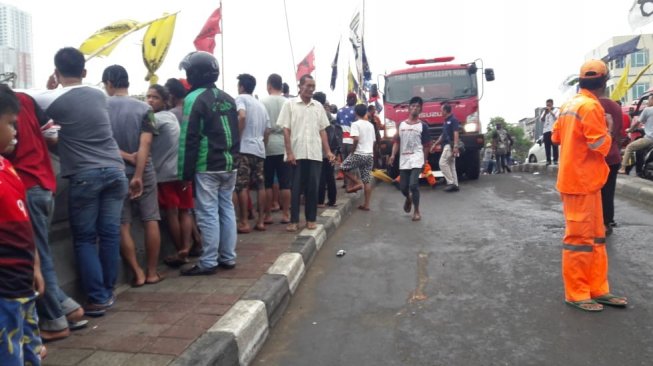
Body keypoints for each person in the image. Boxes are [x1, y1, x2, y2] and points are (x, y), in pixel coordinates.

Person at [32, 47, 128, 316]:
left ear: (56, 72)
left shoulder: (51, 98)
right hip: (115, 170)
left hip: (86, 175)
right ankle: (108, 291)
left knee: (85, 238)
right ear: (85, 72)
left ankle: (97, 298)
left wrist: (49, 88)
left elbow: (19, 99)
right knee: (109, 234)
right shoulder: (99, 95)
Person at [7, 87, 86, 341]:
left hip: (24, 184)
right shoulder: (26, 99)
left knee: (36, 255)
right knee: (42, 253)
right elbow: (52, 135)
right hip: (45, 183)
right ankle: (69, 309)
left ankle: (54, 321)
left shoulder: (6, 104)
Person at [552, 59, 626, 312]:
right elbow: (600, 146)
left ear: (582, 81)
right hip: (581, 182)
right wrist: (608, 129)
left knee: (596, 238)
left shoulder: (568, 105)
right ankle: (577, 292)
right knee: (579, 240)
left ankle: (597, 289)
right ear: (604, 83)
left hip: (584, 182)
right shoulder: (591, 107)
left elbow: (555, 137)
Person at [178, 51, 240, 276]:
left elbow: (188, 138)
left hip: (207, 166)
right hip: (230, 164)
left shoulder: (193, 99)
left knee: (207, 213)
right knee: (226, 209)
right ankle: (228, 257)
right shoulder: (228, 98)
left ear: (194, 74)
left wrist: (185, 173)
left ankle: (208, 262)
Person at [102, 65, 162, 287]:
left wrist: (125, 157)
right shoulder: (144, 108)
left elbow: (102, 144)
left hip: (115, 170)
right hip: (143, 170)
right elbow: (146, 143)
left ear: (109, 83)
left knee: (123, 224)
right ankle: (153, 272)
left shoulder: (101, 108)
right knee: (150, 219)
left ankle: (136, 272)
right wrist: (138, 173)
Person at [0, 86, 45, 364]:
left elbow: (26, 224)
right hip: (3, 288)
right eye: (10, 124)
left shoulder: (8, 167)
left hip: (22, 284)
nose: (15, 131)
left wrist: (36, 265)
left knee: (29, 349)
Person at [278, 75, 336, 232]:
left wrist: (328, 151)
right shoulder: (289, 105)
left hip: (315, 153)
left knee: (313, 188)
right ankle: (294, 220)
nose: (311, 89)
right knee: (295, 189)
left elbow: (322, 130)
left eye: (313, 86)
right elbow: (286, 129)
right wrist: (289, 152)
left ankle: (311, 219)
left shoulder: (318, 106)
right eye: (308, 85)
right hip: (296, 154)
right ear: (300, 86)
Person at [147, 84, 194, 268]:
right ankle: (186, 247)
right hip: (181, 169)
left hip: (165, 173)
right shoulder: (171, 117)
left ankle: (180, 250)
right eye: (148, 96)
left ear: (165, 100)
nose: (150, 100)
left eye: (155, 97)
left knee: (173, 212)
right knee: (185, 210)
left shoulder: (155, 119)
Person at [235, 73, 271, 233]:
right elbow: (268, 129)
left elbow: (241, 116)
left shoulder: (240, 99)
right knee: (260, 185)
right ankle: (261, 220)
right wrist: (263, 143)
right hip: (259, 149)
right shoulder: (260, 105)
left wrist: (237, 137)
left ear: (241, 86)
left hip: (244, 148)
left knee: (242, 185)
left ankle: (244, 221)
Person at [389, 96, 431, 221]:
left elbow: (426, 145)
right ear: (408, 108)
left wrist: (425, 160)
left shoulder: (423, 126)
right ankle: (408, 198)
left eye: (417, 106)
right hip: (404, 159)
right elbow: (396, 141)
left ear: (420, 110)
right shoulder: (401, 125)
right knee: (403, 187)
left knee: (413, 185)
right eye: (412, 106)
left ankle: (417, 211)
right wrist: (392, 155)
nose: (414, 108)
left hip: (417, 157)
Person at [261, 74, 291, 225]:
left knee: (267, 183)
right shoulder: (288, 102)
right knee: (285, 183)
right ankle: (286, 214)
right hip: (284, 145)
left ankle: (267, 215)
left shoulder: (262, 101)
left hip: (267, 145)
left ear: (269, 85)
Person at [340, 104, 376, 210]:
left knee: (343, 167)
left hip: (359, 153)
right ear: (365, 112)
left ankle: (357, 183)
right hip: (369, 155)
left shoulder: (355, 124)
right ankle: (367, 205)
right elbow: (373, 141)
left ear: (355, 113)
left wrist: (352, 151)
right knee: (367, 180)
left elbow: (355, 139)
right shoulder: (370, 125)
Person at [599, 97, 623, 236]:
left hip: (598, 157)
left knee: (596, 192)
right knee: (608, 191)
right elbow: (619, 133)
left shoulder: (592, 105)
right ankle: (607, 221)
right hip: (613, 156)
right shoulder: (615, 106)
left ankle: (598, 222)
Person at [313, 92, 341, 208]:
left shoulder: (318, 113)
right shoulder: (330, 115)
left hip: (321, 149)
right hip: (331, 149)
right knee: (330, 176)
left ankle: (320, 201)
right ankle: (332, 199)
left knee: (321, 176)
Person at [618, 94, 653, 174]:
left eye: (649, 100)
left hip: (649, 139)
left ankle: (622, 169)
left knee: (629, 147)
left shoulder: (648, 110)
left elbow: (637, 123)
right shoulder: (627, 115)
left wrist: (630, 130)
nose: (647, 102)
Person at [433, 104, 460, 192]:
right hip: (447, 144)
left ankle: (450, 183)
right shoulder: (446, 121)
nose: (440, 112)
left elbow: (456, 133)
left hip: (450, 145)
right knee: (451, 165)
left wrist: (455, 146)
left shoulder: (453, 120)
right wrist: (435, 144)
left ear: (445, 111)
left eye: (441, 110)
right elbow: (443, 135)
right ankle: (455, 184)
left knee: (442, 163)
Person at [337, 92, 358, 186]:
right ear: (355, 99)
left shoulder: (340, 111)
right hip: (352, 141)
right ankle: (353, 184)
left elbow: (337, 126)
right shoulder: (356, 111)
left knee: (345, 163)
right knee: (353, 163)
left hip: (343, 141)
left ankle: (346, 183)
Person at [539, 99, 559, 165]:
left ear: (552, 103)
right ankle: (548, 160)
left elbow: (557, 117)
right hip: (546, 131)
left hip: (553, 130)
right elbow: (541, 120)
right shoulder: (545, 111)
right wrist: (545, 113)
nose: (548, 106)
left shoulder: (556, 110)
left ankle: (555, 160)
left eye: (549, 104)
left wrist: (550, 111)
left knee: (554, 145)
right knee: (547, 146)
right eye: (547, 105)